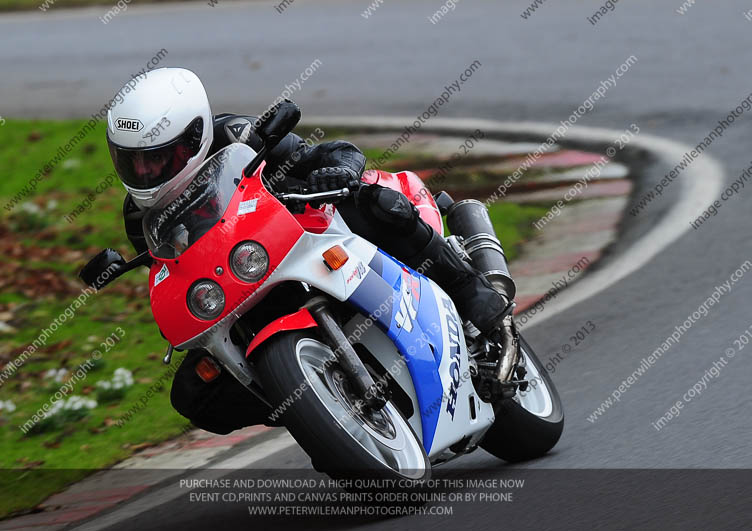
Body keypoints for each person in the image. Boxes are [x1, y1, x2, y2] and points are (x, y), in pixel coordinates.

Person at [106, 67, 512, 434]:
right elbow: (171, 267)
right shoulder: (136, 216)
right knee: (194, 394)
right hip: (242, 280)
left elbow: (333, 153)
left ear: (195, 135)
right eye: (133, 163)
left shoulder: (238, 134)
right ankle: (318, 415)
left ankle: (468, 288)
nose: (144, 174)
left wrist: (338, 172)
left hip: (307, 235)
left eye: (157, 159)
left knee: (378, 204)